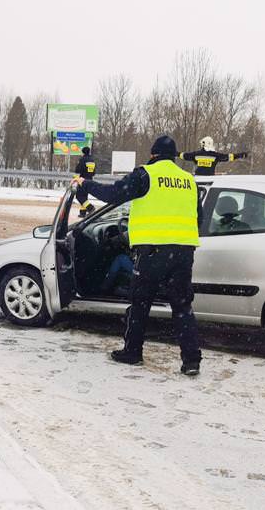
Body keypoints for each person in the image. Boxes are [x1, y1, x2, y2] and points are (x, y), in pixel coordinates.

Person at [76, 135, 202, 375]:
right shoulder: (188, 180)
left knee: (140, 303)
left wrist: (86, 184)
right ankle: (191, 361)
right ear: (174, 157)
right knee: (183, 306)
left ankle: (132, 352)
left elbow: (113, 194)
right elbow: (199, 217)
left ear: (153, 154)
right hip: (184, 252)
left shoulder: (146, 175)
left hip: (152, 252)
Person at [180, 136, 248, 176]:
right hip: (210, 180)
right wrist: (241, 155)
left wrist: (175, 153)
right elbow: (228, 157)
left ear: (204, 144)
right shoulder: (216, 155)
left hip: (197, 179)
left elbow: (185, 156)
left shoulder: (196, 154)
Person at [74, 146, 97, 218]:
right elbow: (93, 172)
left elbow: (78, 170)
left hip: (83, 180)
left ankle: (90, 208)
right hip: (90, 180)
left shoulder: (82, 159)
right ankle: (83, 213)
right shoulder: (92, 160)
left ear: (83, 152)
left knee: (79, 196)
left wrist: (76, 178)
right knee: (84, 197)